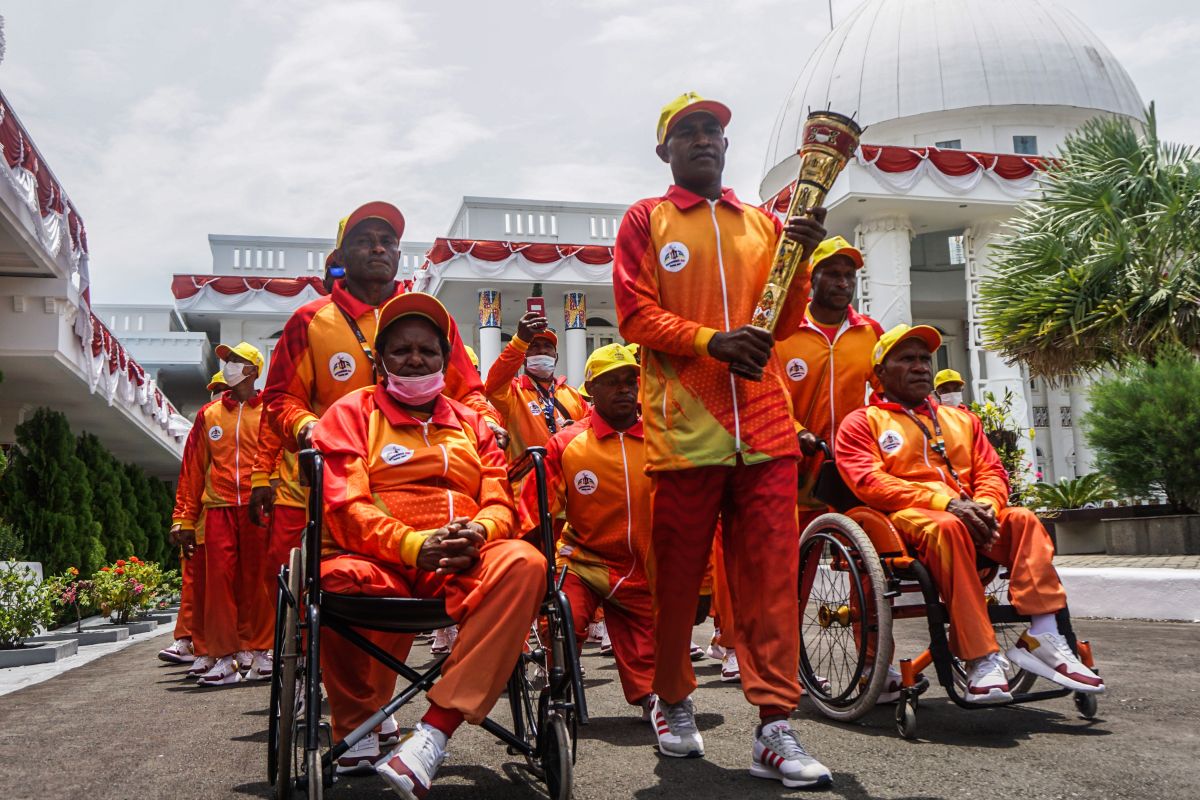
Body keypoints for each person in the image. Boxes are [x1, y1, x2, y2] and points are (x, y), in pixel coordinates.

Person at [612, 90, 832, 789]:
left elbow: (788, 315)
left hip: (766, 425)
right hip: (686, 428)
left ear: (726, 146)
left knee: (770, 580)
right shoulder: (647, 219)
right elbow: (634, 316)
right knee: (677, 582)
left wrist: (798, 249)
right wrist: (712, 341)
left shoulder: (762, 225)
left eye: (714, 130)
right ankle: (672, 697)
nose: (705, 139)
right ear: (665, 150)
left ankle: (773, 725)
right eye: (689, 131)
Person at [310, 292, 545, 793]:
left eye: (427, 351)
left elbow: (500, 501)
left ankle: (434, 733)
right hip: (383, 558)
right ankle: (358, 723)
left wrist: (480, 533)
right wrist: (416, 545)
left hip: (465, 557)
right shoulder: (351, 413)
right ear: (379, 360)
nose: (415, 359)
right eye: (401, 350)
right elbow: (347, 508)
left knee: (526, 562)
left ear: (444, 359)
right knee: (336, 578)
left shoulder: (473, 422)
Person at [835, 324, 1105, 703]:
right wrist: (946, 503)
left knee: (1024, 519)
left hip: (972, 516)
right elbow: (868, 482)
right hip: (909, 520)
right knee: (949, 528)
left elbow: (992, 472)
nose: (920, 367)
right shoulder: (862, 423)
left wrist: (989, 509)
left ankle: (1042, 635)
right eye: (907, 359)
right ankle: (980, 659)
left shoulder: (962, 420)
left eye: (925, 359)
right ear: (880, 373)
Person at [520, 343, 655, 719]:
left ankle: (653, 700)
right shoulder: (566, 443)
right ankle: (558, 685)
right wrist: (529, 567)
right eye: (612, 382)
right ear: (591, 390)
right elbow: (534, 512)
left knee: (651, 661)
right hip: (583, 560)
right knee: (562, 619)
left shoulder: (662, 438)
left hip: (644, 566)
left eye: (631, 381)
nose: (625, 389)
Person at [170, 342, 273, 685]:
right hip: (218, 508)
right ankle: (225, 658)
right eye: (227, 360)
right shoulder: (208, 415)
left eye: (236, 361)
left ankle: (261, 653)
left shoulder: (271, 411)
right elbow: (193, 471)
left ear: (253, 370)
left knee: (259, 582)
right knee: (217, 584)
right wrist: (183, 518)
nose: (229, 365)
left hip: (259, 509)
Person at [483, 311, 587, 461]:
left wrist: (579, 428)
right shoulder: (512, 392)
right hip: (525, 481)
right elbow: (493, 385)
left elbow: (592, 425)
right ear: (524, 357)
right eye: (534, 346)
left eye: (548, 346)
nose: (542, 350)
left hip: (566, 479)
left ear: (555, 358)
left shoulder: (573, 395)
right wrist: (519, 341)